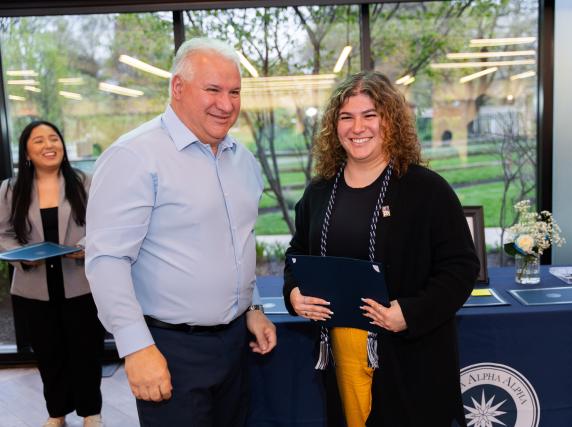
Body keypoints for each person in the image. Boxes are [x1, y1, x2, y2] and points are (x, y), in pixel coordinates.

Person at [85, 37, 277, 427]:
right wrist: (136, 347)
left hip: (235, 346)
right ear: (177, 87)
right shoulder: (134, 157)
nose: (226, 104)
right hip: (169, 349)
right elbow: (107, 260)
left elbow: (237, 245)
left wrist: (252, 306)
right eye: (213, 90)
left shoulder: (242, 159)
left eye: (235, 92)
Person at [283, 71, 479, 427]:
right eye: (346, 117)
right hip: (338, 354)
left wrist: (411, 312)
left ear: (390, 121)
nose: (358, 127)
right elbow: (296, 255)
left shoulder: (426, 190)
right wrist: (294, 293)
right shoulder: (319, 193)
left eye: (369, 115)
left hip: (409, 360)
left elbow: (461, 268)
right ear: (334, 126)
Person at [0, 121, 104, 427]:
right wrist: (21, 256)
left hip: (80, 284)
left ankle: (91, 413)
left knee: (86, 351)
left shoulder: (85, 181)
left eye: (54, 138)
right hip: (33, 287)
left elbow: (104, 224)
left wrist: (86, 245)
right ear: (27, 152)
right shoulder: (10, 189)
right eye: (39, 141)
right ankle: (56, 412)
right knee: (49, 354)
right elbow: (3, 233)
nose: (49, 145)